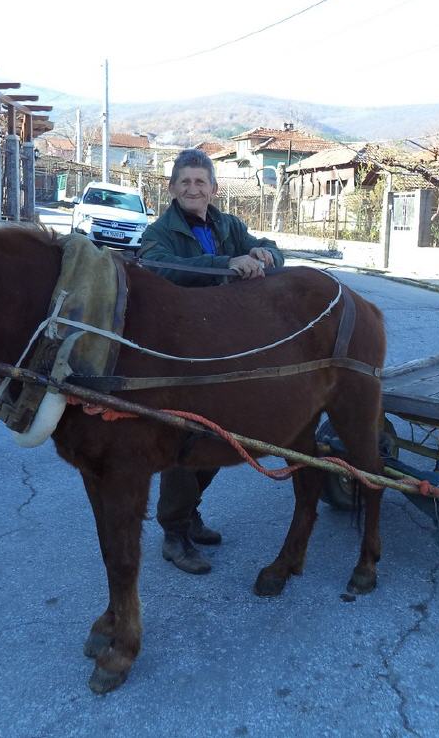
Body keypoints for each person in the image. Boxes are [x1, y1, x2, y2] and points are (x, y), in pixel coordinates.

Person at [139, 148, 284, 574]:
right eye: (184, 181)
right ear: (171, 188)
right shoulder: (159, 232)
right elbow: (160, 267)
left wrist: (264, 254)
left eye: (200, 182)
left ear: (213, 189)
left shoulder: (228, 224)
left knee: (221, 436)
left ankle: (190, 514)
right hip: (177, 347)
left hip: (223, 342)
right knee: (184, 437)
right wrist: (226, 263)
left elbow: (264, 245)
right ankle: (174, 534)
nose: (192, 188)